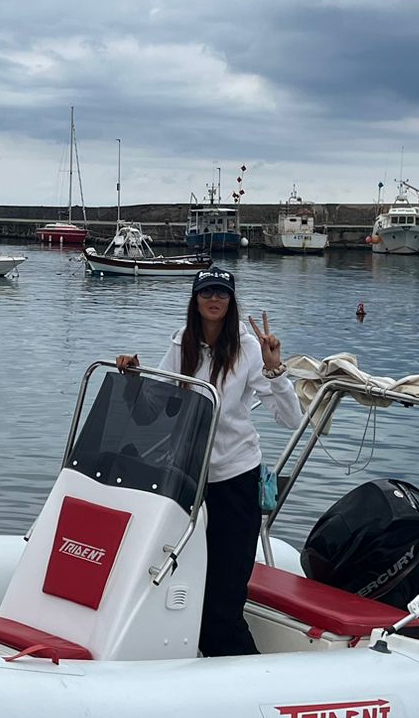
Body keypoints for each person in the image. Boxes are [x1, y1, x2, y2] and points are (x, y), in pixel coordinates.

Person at [117, 267, 301, 656]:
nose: (213, 299)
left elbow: (291, 419)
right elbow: (154, 409)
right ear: (195, 300)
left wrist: (274, 368)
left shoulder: (249, 348)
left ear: (231, 301)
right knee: (179, 589)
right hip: (186, 481)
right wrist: (133, 378)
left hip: (234, 481)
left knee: (222, 604)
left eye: (221, 293)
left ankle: (250, 679)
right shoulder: (182, 342)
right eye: (206, 293)